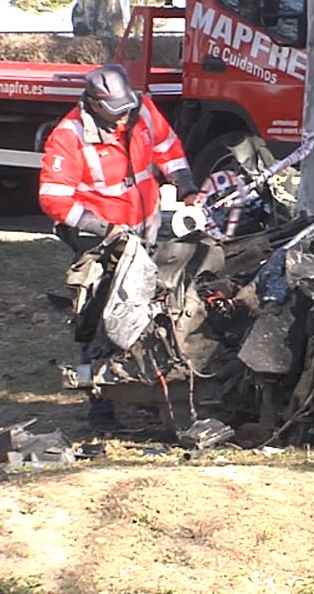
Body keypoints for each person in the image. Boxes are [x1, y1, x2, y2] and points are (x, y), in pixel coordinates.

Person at [39, 64, 198, 430]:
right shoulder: (69, 136)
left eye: (127, 109)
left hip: (143, 229)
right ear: (94, 105)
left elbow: (168, 148)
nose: (125, 119)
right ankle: (101, 406)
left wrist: (186, 186)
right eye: (117, 113)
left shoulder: (141, 111)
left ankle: (140, 386)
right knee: (100, 317)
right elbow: (54, 199)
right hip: (98, 238)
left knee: (147, 309)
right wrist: (103, 229)